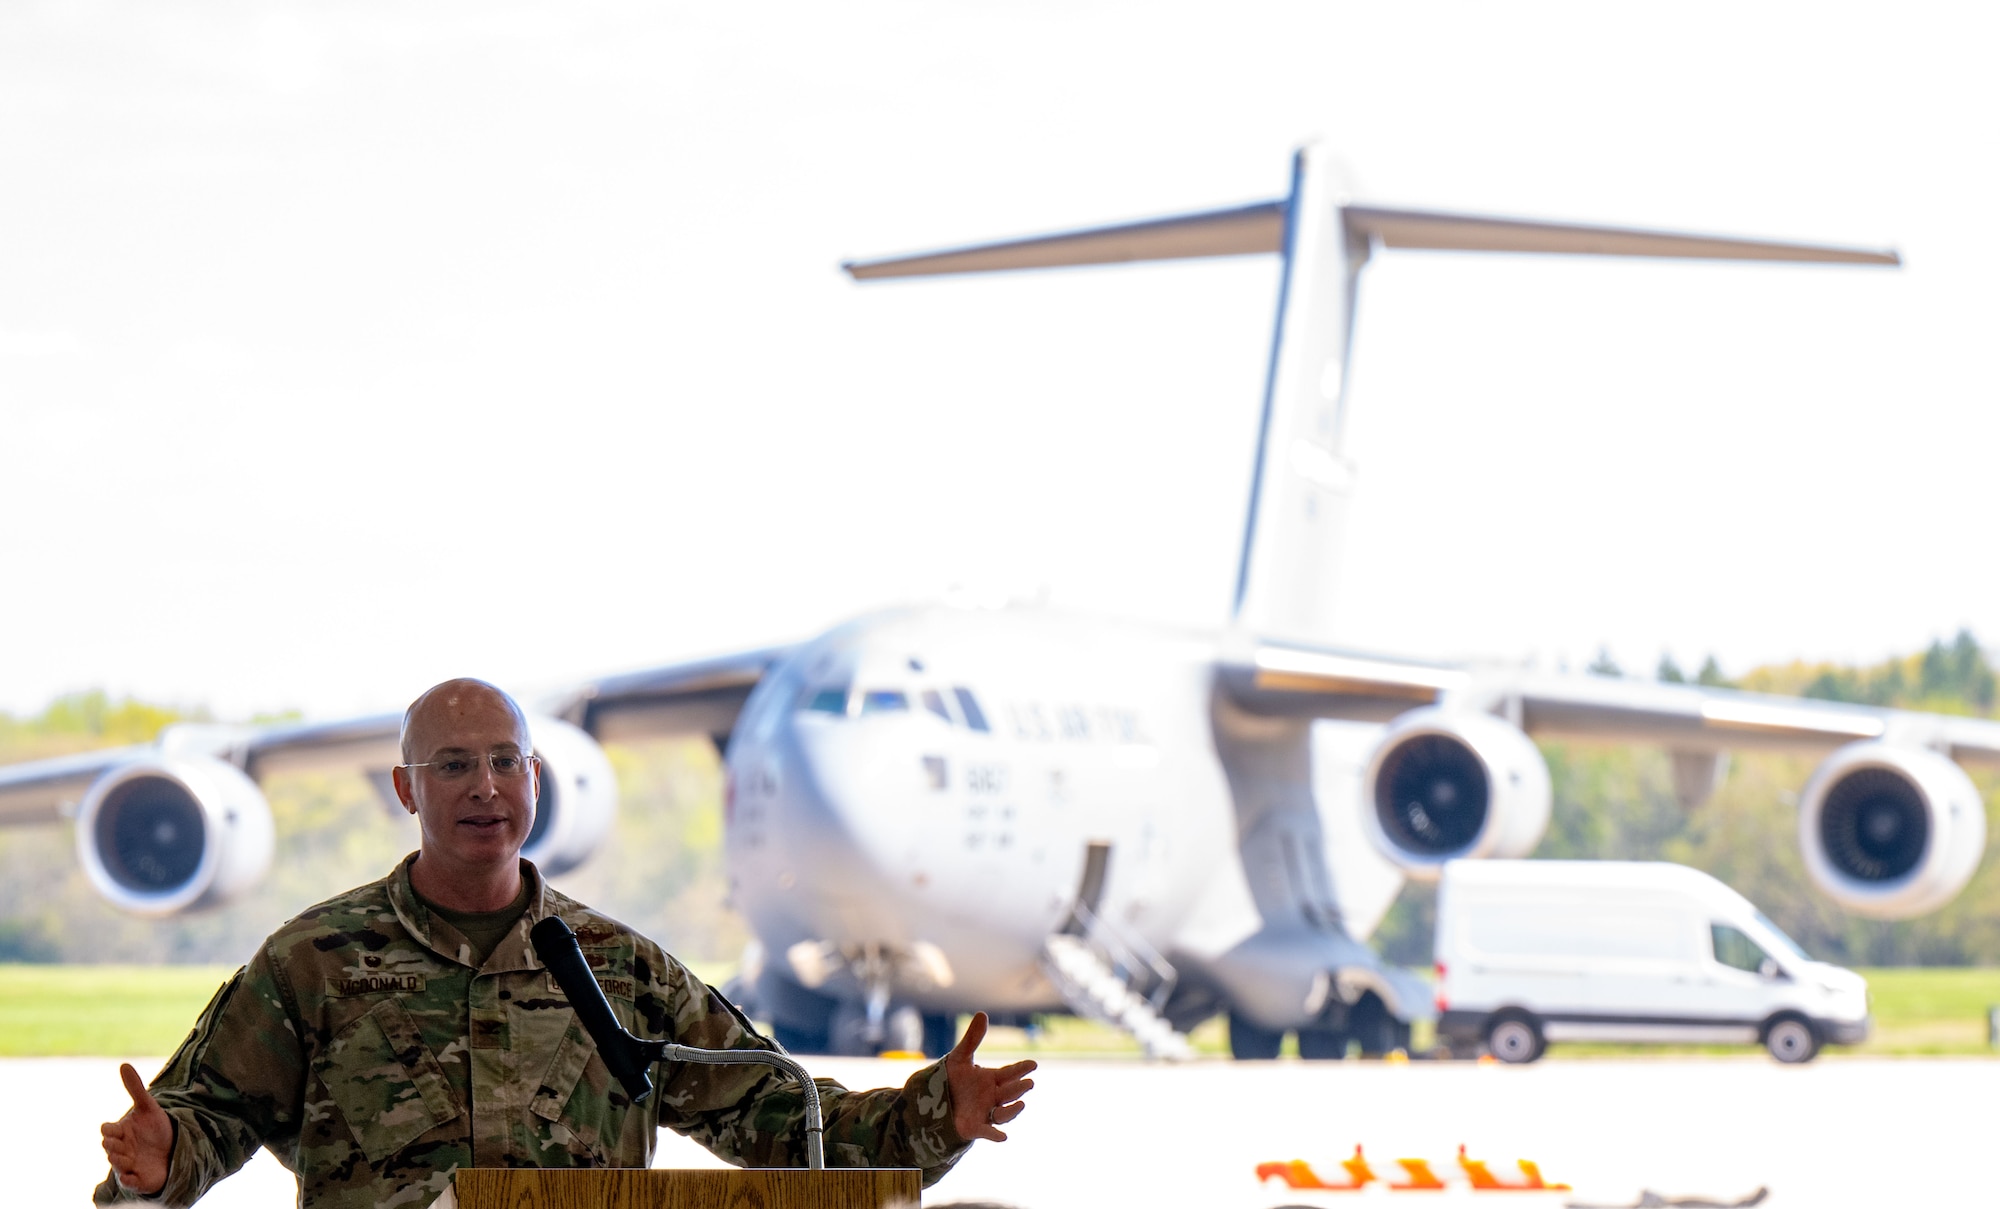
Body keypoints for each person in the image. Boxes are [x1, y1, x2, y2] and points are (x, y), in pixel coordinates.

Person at [97, 678, 1035, 1208]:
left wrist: (932, 1115)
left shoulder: (618, 966)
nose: (484, 786)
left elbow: (784, 1117)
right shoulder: (315, 960)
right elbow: (205, 1117)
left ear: (535, 780)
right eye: (453, 766)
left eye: (506, 761)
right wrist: (159, 1153)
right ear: (404, 789)